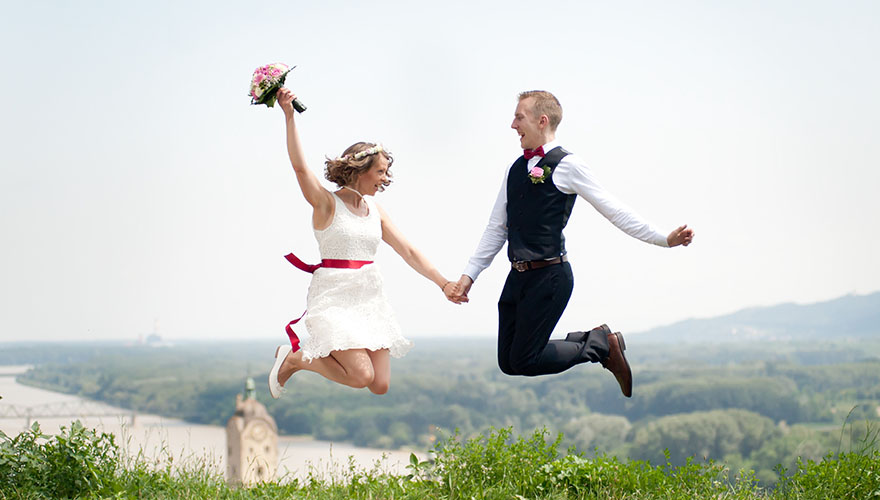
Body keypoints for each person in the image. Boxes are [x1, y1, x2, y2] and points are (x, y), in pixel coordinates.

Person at [451, 90, 694, 397]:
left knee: (525, 359)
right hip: (517, 278)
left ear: (542, 121)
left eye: (518, 117)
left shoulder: (568, 165)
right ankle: (597, 341)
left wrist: (663, 239)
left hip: (549, 277)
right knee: (509, 363)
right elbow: (497, 228)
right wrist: (469, 275)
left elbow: (613, 208)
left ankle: (602, 344)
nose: (513, 125)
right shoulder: (514, 169)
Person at [268, 87, 462, 399]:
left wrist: (443, 283)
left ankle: (298, 358)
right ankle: (293, 358)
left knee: (380, 384)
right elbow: (300, 168)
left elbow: (409, 251)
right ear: (360, 170)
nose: (386, 179)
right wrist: (289, 116)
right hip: (334, 298)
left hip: (369, 299)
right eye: (381, 172)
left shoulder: (376, 211)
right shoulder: (326, 204)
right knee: (360, 376)